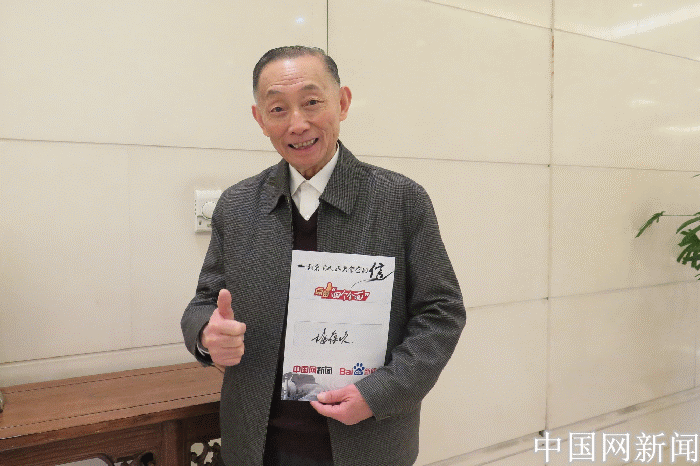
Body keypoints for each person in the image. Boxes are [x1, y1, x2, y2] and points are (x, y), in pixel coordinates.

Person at [181, 46, 466, 466]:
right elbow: (204, 302)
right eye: (278, 109)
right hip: (255, 445)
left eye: (312, 102)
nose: (297, 124)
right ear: (260, 119)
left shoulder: (400, 201)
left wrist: (379, 393)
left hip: (366, 442)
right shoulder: (238, 205)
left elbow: (440, 313)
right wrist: (208, 334)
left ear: (343, 103)